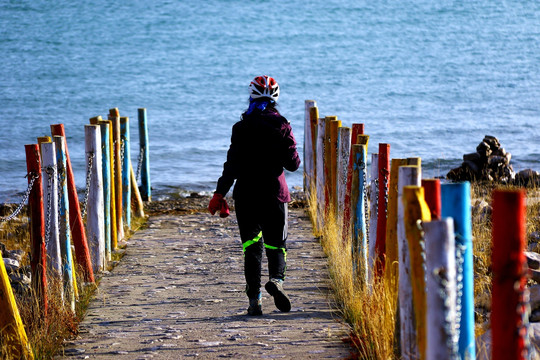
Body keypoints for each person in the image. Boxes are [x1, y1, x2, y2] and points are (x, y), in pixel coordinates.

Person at [208, 75, 301, 316]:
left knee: (251, 247)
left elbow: (232, 165)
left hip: (247, 196)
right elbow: (293, 165)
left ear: (251, 96)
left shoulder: (240, 128)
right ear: (275, 99)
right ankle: (276, 281)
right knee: (276, 245)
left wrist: (220, 193)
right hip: (275, 195)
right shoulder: (282, 125)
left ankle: (254, 302)